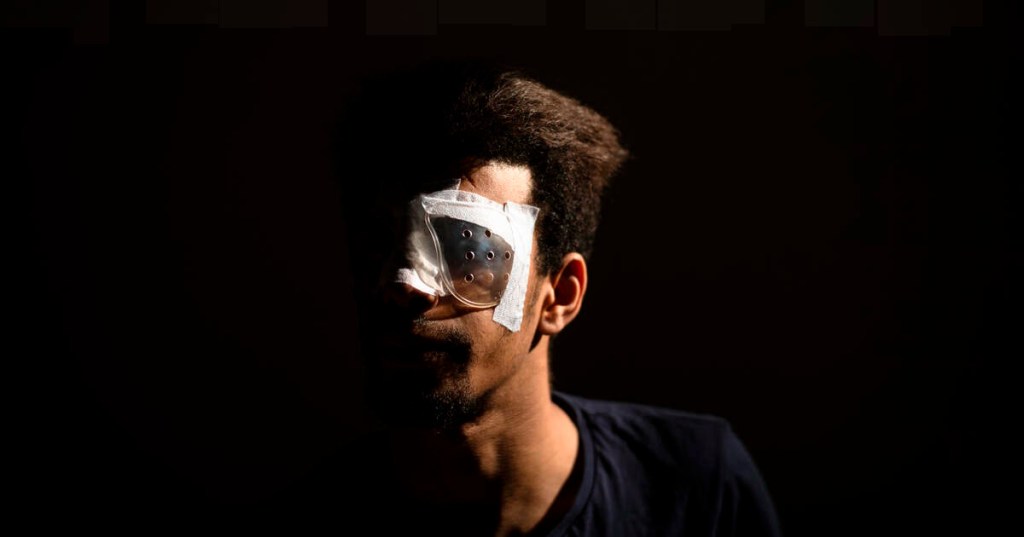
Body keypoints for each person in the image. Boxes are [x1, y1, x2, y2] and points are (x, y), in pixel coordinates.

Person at [273, 60, 782, 536]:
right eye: (376, 245)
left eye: (467, 248)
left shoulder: (698, 487)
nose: (403, 284)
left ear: (559, 296)